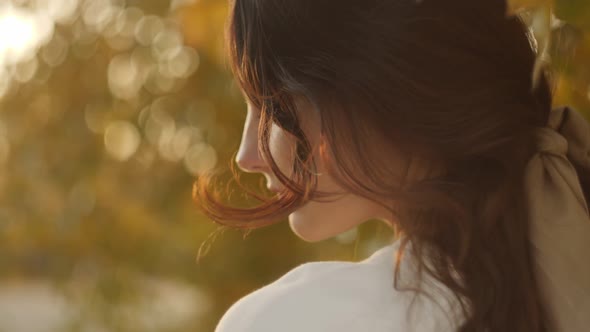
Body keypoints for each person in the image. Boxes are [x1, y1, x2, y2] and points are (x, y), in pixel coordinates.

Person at [193, 0, 590, 331]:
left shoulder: (291, 320)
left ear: (376, 91)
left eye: (271, 108)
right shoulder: (564, 260)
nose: (247, 156)